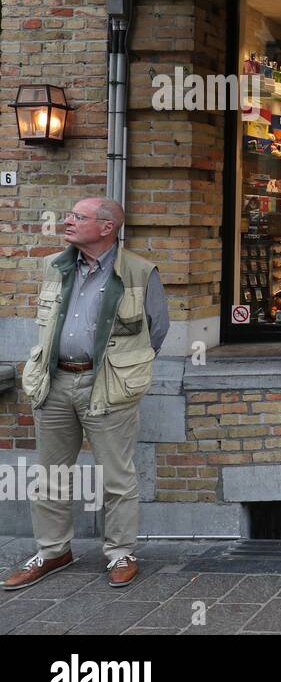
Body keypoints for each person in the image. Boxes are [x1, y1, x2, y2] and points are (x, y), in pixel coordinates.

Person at [4, 197, 169, 590]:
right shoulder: (55, 266)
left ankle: (120, 552)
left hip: (108, 386)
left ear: (107, 227)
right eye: (70, 215)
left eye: (79, 216)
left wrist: (125, 369)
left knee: (117, 476)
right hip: (56, 381)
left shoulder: (140, 272)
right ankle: (52, 551)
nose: (68, 221)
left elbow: (156, 330)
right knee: (50, 475)